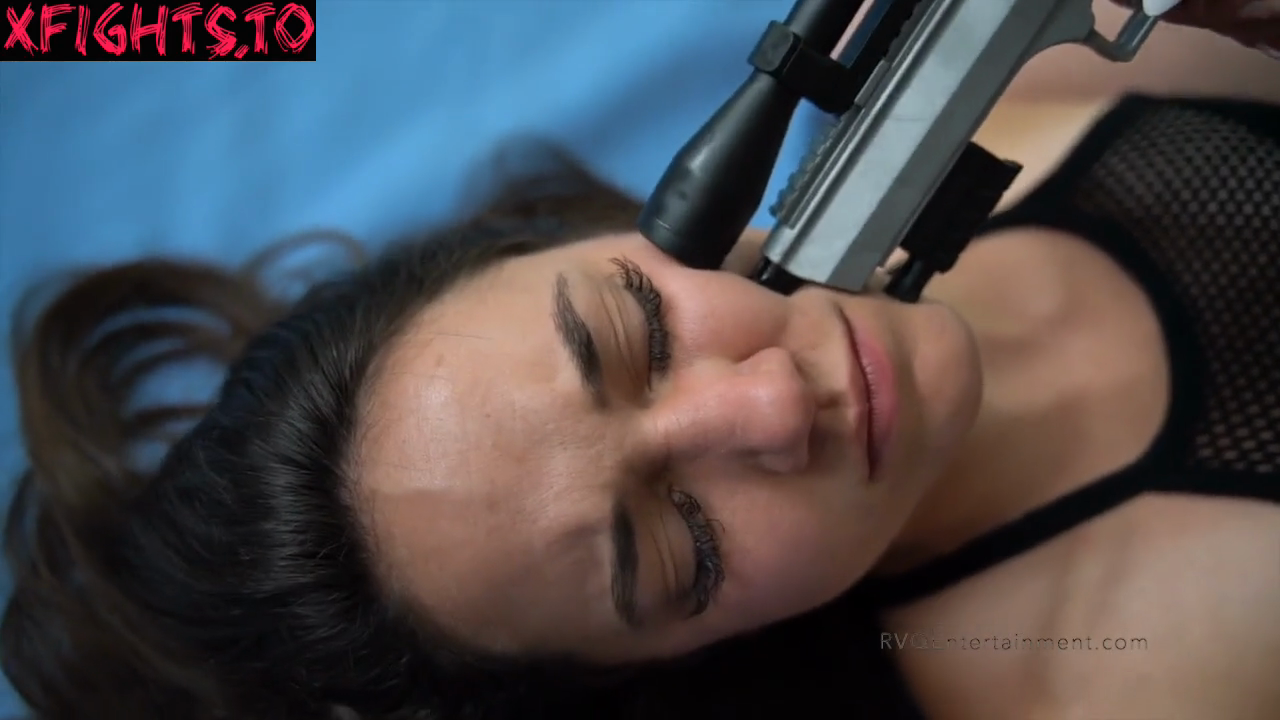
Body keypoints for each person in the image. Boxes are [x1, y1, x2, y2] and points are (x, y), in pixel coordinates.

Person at [3, 12, 1278, 720]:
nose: (769, 404)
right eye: (682, 546)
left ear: (602, 234)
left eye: (637, 335)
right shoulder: (1120, 688)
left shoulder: (996, 78)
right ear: (669, 662)